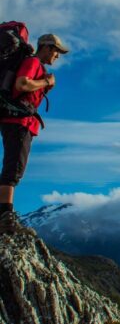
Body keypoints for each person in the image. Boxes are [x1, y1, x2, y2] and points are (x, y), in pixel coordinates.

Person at [0, 34, 69, 235]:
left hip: (18, 121)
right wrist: (45, 82)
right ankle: (5, 216)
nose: (57, 56)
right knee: (14, 167)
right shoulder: (32, 62)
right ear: (46, 48)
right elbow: (22, 84)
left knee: (14, 166)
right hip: (18, 121)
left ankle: (5, 214)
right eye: (56, 51)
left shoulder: (34, 64)